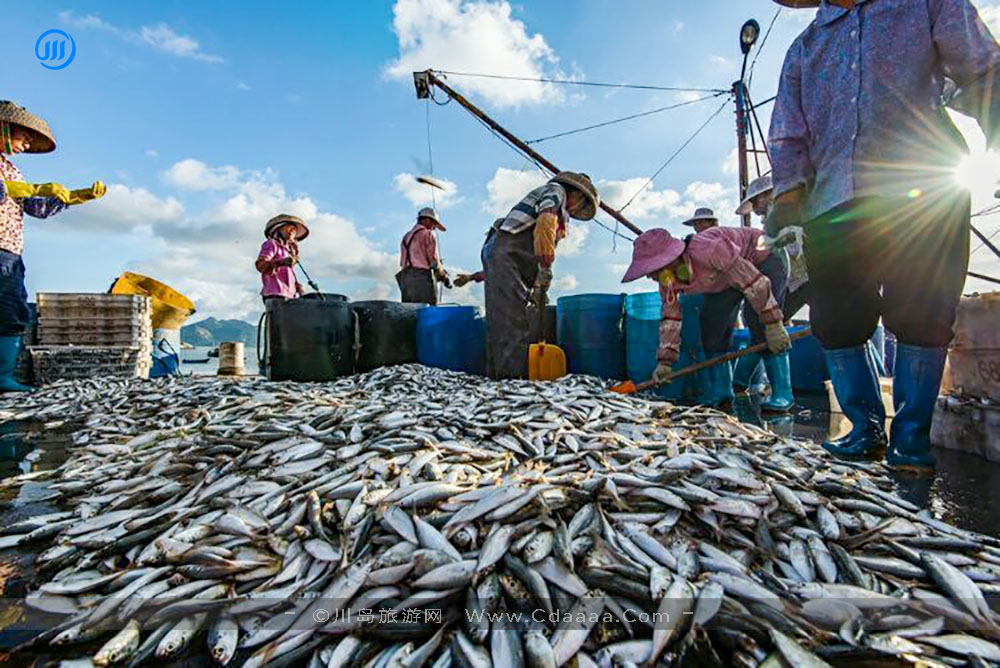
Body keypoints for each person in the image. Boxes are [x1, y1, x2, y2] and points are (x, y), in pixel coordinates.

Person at [767, 0, 1000, 472]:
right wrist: (786, 197)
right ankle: (864, 429)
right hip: (832, 202)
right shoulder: (804, 49)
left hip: (922, 187)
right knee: (837, 318)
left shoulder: (927, 5)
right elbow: (788, 134)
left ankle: (911, 440)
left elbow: (982, 73)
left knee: (922, 309)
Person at [620, 226, 793, 409]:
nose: (649, 275)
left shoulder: (707, 250)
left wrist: (773, 323)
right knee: (712, 327)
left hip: (764, 258)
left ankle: (783, 393)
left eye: (653, 268)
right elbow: (671, 319)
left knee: (760, 326)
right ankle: (722, 390)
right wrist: (665, 362)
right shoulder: (668, 280)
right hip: (725, 279)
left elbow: (754, 282)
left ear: (671, 259)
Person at [0, 101, 105, 392]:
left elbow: (36, 207)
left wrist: (74, 197)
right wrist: (31, 188)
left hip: (9, 250)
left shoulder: (11, 169)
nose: (27, 143)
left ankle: (3, 377)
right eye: (24, 136)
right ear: (5, 127)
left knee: (12, 310)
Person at [482, 172, 599, 379]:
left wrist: (540, 284)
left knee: (501, 319)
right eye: (579, 203)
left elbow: (542, 249)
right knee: (512, 319)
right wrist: (545, 267)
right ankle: (511, 381)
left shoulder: (561, 217)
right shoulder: (557, 191)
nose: (577, 209)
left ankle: (498, 377)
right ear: (575, 193)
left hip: (506, 255)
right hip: (508, 252)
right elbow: (545, 224)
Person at [396, 207, 451, 305]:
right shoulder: (428, 234)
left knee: (410, 314)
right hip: (422, 279)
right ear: (426, 220)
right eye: (434, 224)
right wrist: (443, 275)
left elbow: (403, 262)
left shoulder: (406, 237)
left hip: (405, 281)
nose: (434, 228)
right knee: (428, 313)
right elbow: (433, 261)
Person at [256, 214, 309, 304]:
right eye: (290, 227)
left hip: (289, 296)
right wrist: (281, 263)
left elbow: (287, 275)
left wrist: (296, 287)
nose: (293, 231)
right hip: (275, 294)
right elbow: (261, 265)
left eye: (295, 229)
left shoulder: (288, 251)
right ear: (278, 229)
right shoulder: (271, 244)